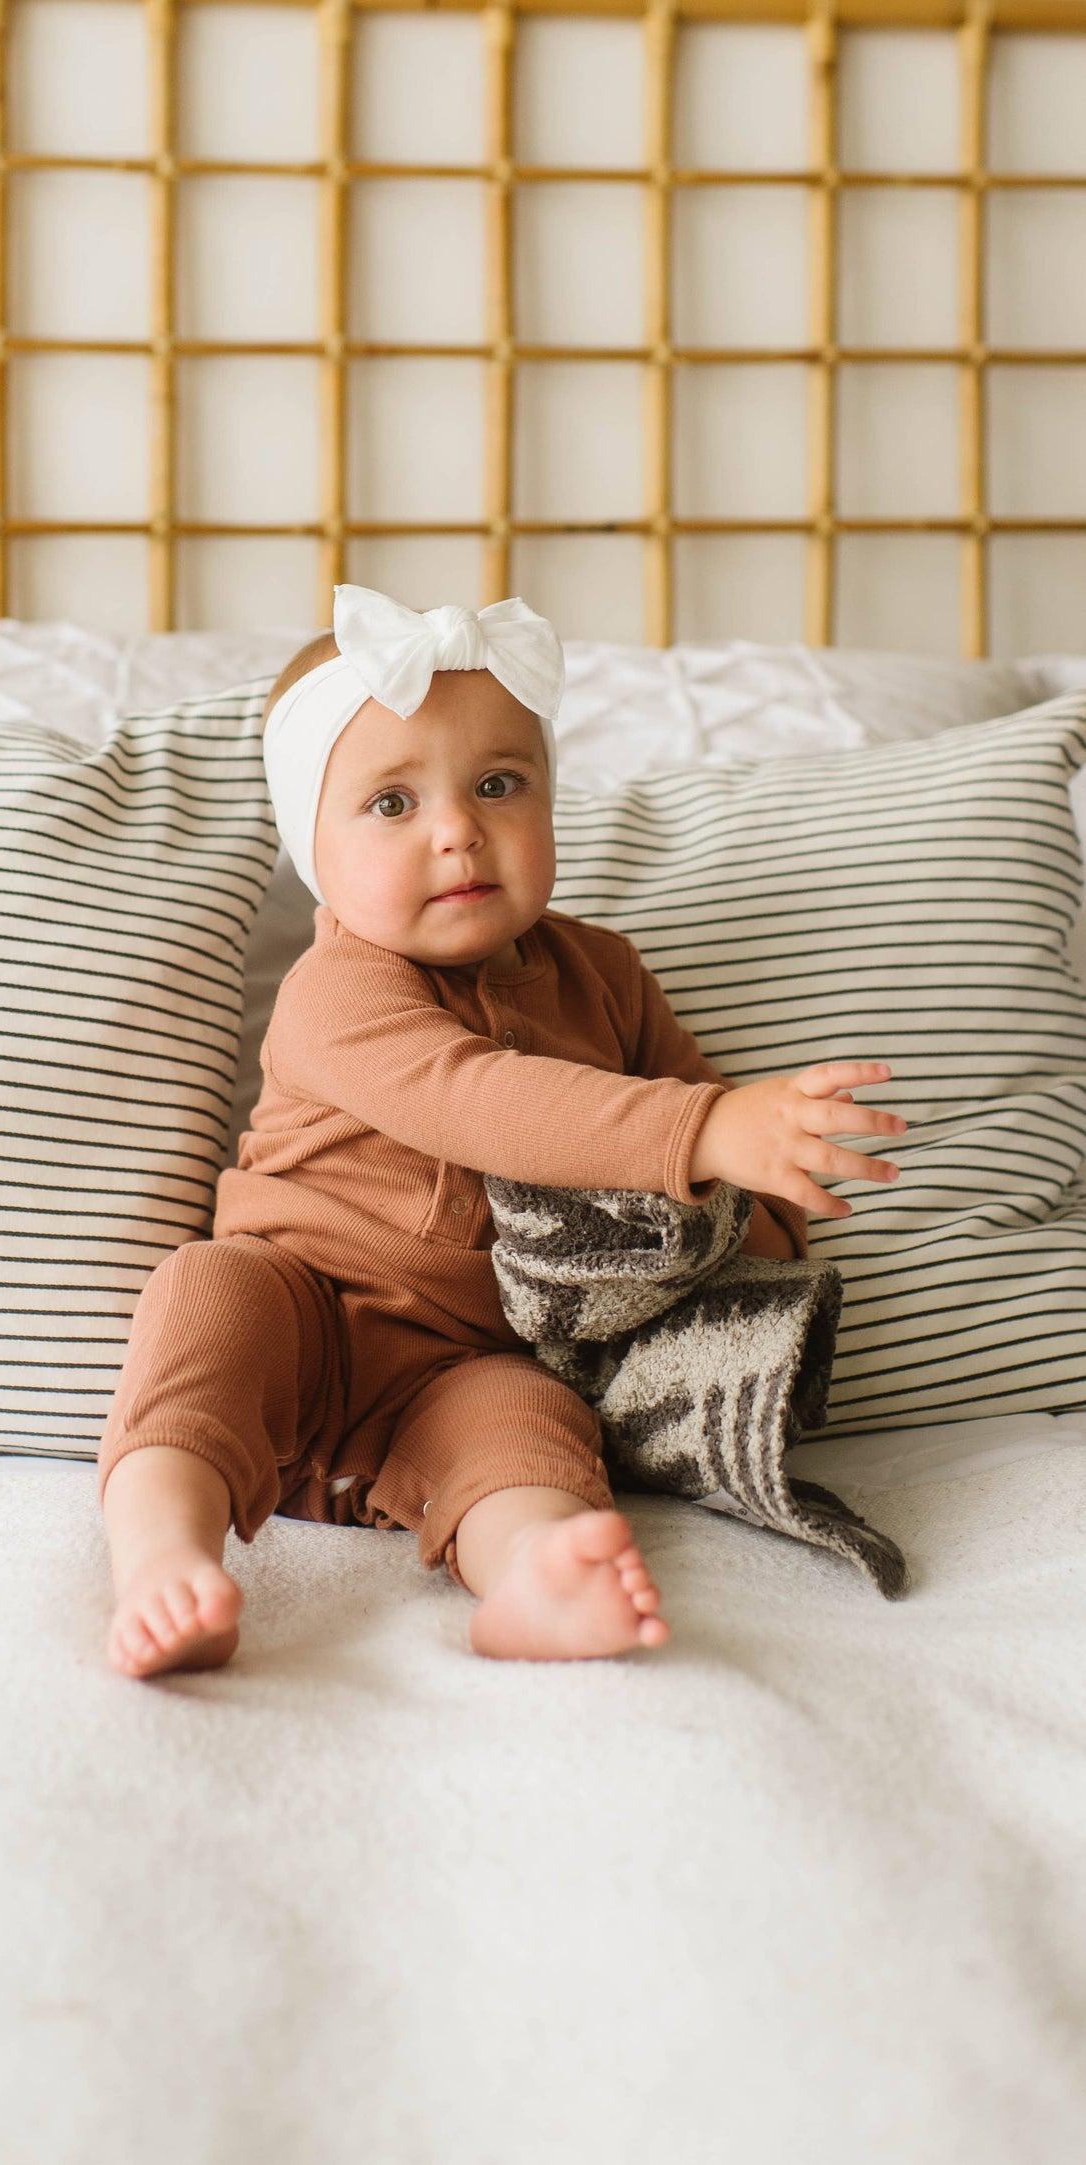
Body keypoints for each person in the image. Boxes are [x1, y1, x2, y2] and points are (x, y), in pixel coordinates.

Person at [97, 584, 906, 1678]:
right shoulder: (335, 987)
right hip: (302, 1311)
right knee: (203, 1294)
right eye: (391, 803)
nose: (457, 829)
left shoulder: (605, 973)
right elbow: (479, 1097)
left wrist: (757, 1217)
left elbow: (708, 1156)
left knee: (530, 1425)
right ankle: (164, 1558)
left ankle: (532, 1573)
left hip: (464, 1357)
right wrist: (709, 1127)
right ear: (314, 849)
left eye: (497, 783)